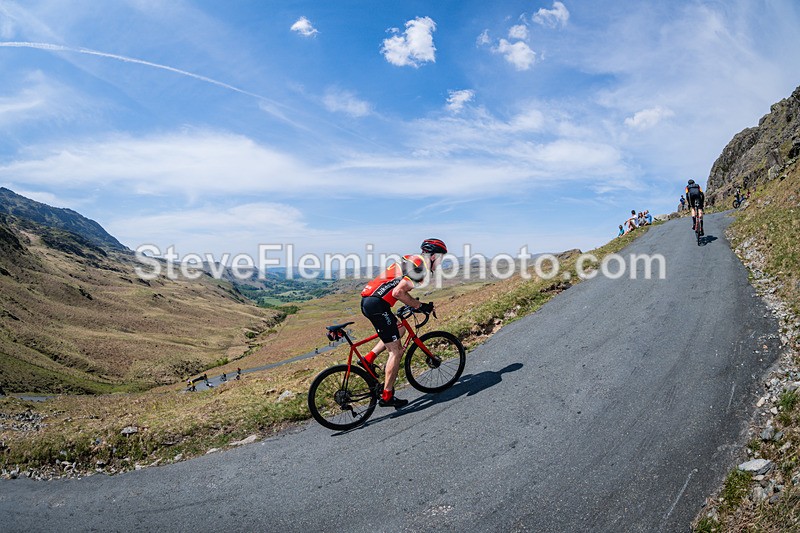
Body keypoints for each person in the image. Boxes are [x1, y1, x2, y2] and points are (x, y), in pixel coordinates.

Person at [359, 238, 447, 408]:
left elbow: (393, 285)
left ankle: (368, 358)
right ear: (434, 256)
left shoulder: (411, 259)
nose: (441, 263)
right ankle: (387, 395)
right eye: (441, 258)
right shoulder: (421, 268)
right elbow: (399, 292)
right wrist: (420, 306)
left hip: (371, 301)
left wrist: (410, 305)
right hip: (377, 305)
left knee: (399, 330)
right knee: (396, 350)